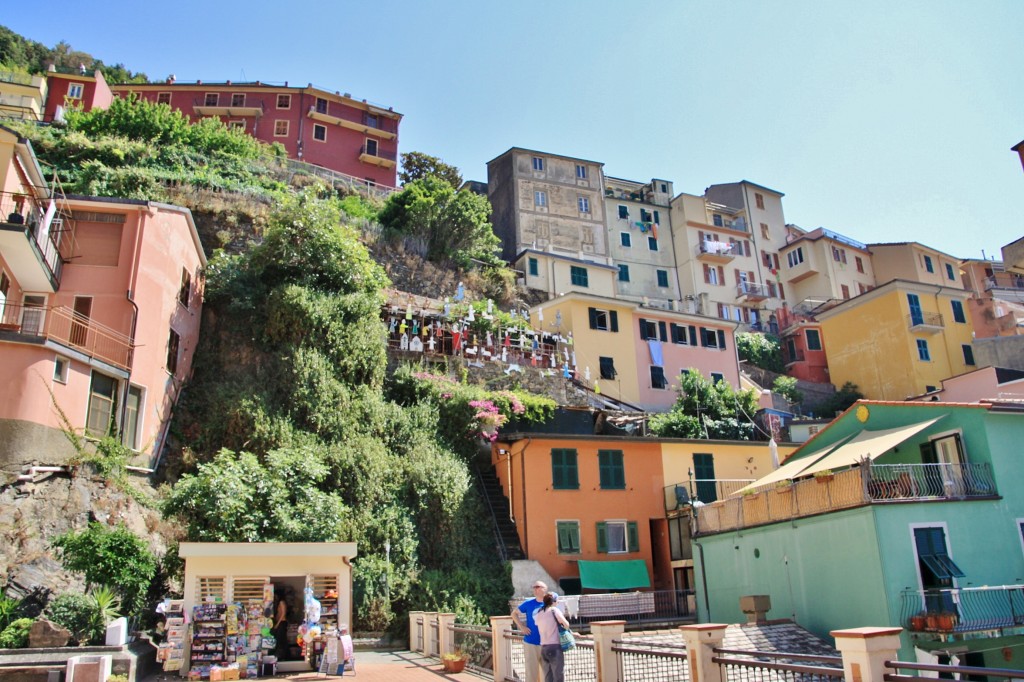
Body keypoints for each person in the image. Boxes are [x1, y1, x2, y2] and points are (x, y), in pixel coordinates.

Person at [511, 581, 549, 682]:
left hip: (547, 643)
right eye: (533, 587)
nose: (535, 589)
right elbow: (514, 614)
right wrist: (522, 627)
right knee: (531, 674)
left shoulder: (549, 604)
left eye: (537, 587)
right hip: (531, 643)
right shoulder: (528, 603)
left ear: (545, 589)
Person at [536, 592, 572, 682]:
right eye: (557, 601)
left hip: (544, 647)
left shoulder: (539, 612)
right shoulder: (554, 610)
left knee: (548, 676)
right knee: (558, 675)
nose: (558, 602)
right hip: (554, 647)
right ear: (554, 601)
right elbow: (566, 625)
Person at [273, 590, 289, 660]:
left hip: (282, 623)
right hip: (280, 622)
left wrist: (277, 624)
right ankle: (283, 655)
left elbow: (283, 614)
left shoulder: (282, 602)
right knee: (280, 639)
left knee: (281, 639)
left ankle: (283, 655)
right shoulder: (279, 602)